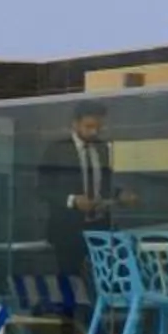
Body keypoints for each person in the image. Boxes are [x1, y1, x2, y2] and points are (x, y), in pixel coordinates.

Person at [34, 106, 137, 282]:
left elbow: (104, 185)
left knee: (104, 276)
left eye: (98, 127)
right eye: (89, 126)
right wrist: (72, 200)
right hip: (68, 229)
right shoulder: (57, 150)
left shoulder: (103, 148)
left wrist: (120, 195)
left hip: (99, 225)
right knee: (70, 278)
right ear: (75, 124)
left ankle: (96, 307)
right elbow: (41, 189)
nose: (94, 131)